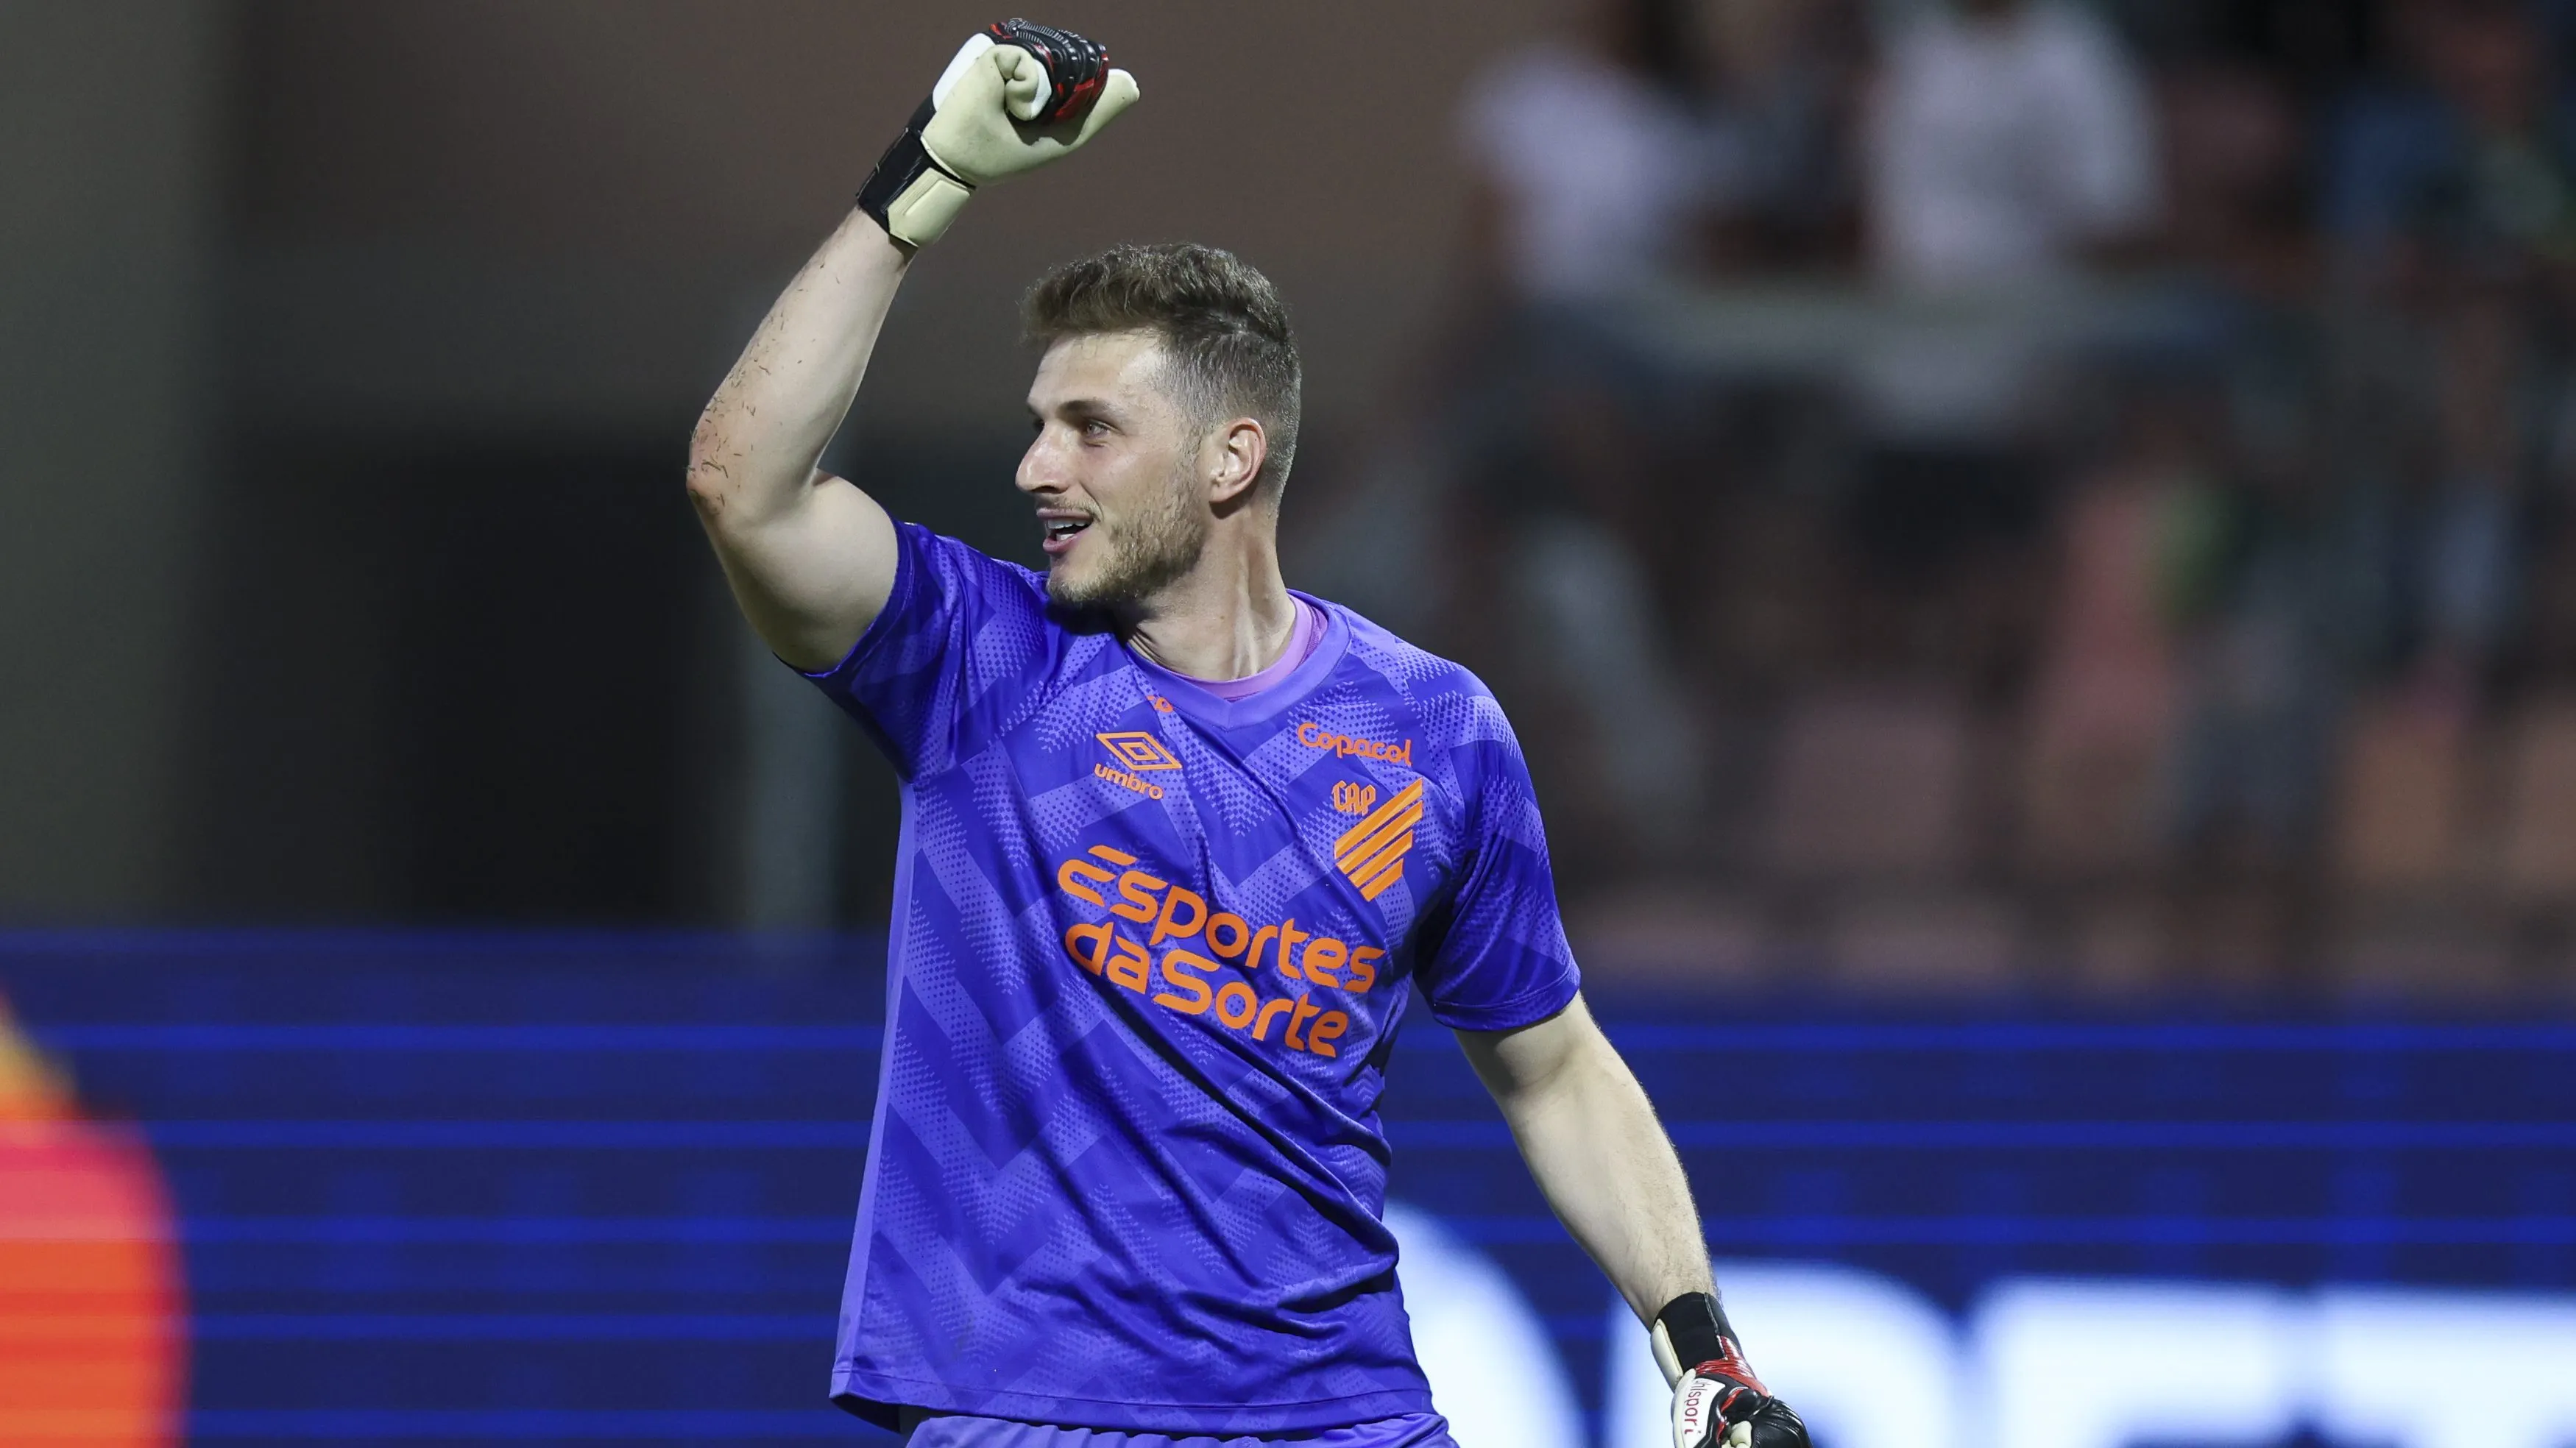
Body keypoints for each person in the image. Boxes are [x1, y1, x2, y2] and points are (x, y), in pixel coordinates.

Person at [683, 21, 1808, 1448]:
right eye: (1038, 424)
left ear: (1232, 457)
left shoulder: (1434, 731)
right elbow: (744, 486)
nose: (1036, 466)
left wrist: (1702, 1348)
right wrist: (925, 183)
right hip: (1038, 1415)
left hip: (1345, 1413)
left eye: (1090, 428)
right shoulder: (981, 663)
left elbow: (1554, 1067)